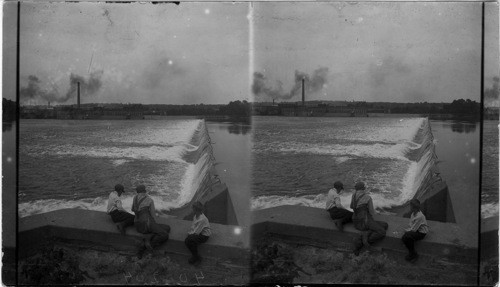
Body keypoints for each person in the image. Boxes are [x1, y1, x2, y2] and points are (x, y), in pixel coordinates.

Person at [131, 185, 170, 258]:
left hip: (138, 225)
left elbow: (133, 209)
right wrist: (154, 224)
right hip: (147, 224)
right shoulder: (149, 199)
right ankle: (146, 245)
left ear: (137, 192)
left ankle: (148, 238)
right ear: (145, 191)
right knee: (164, 234)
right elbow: (153, 215)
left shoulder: (135, 198)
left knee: (166, 228)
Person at [350, 181, 388, 255]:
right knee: (382, 231)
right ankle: (363, 242)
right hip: (365, 222)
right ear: (363, 188)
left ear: (357, 188)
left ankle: (367, 233)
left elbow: (351, 207)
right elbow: (371, 212)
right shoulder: (367, 197)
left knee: (384, 225)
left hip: (356, 221)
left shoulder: (353, 195)